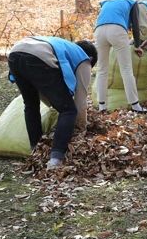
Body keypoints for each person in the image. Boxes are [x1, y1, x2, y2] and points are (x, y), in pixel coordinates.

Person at [8, 37, 97, 170]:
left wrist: (57, 103)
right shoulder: (84, 60)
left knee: (31, 105)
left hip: (15, 53)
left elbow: (44, 90)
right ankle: (55, 159)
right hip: (37, 57)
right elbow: (80, 102)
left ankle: (36, 150)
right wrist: (81, 129)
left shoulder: (63, 48)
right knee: (68, 111)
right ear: (90, 59)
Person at [94, 0, 147, 113]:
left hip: (99, 31)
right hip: (117, 30)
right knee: (126, 69)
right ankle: (135, 105)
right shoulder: (131, 1)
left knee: (102, 70)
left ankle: (102, 106)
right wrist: (137, 45)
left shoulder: (106, 2)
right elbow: (135, 25)